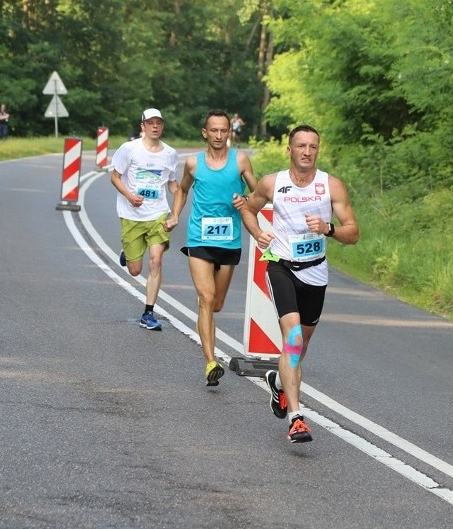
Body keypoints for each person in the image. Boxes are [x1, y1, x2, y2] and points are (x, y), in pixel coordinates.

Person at [240, 125, 359, 442]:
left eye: (313, 147)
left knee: (299, 348)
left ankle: (278, 383)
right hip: (281, 267)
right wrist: (258, 233)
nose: (307, 151)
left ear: (318, 151)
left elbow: (353, 233)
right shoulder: (272, 183)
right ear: (289, 150)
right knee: (292, 338)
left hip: (316, 272)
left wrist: (328, 228)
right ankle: (296, 418)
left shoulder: (331, 186)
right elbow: (248, 211)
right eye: (301, 146)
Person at [167, 109, 258, 386]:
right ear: (205, 133)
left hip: (229, 240)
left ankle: (205, 306)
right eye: (214, 130)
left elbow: (259, 194)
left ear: (229, 132)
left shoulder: (240, 160)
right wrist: (174, 216)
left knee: (216, 304)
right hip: (200, 239)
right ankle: (210, 362)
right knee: (207, 297)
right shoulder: (193, 163)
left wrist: (245, 200)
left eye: (224, 130)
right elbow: (182, 189)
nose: (219, 135)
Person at [110, 108, 180, 330]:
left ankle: (148, 313)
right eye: (150, 123)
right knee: (134, 270)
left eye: (159, 123)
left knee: (156, 260)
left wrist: (176, 209)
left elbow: (172, 183)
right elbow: (115, 177)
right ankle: (128, 252)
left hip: (157, 212)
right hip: (131, 215)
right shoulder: (129, 149)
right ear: (143, 127)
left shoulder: (170, 153)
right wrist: (130, 196)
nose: (155, 126)